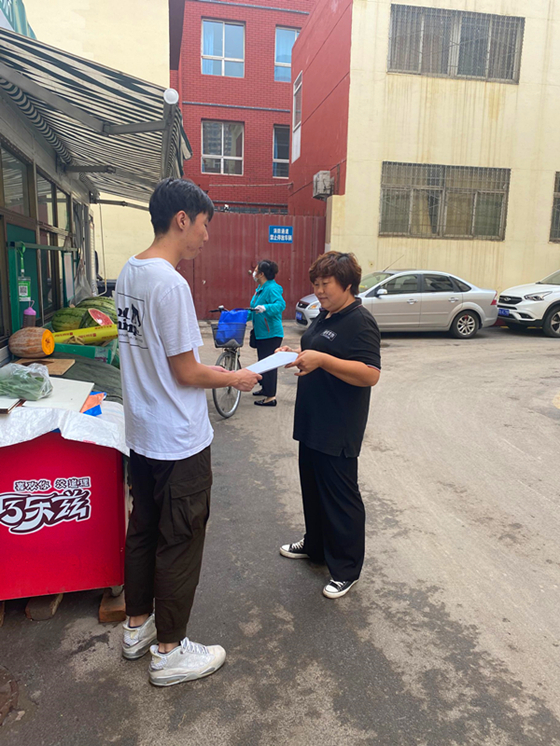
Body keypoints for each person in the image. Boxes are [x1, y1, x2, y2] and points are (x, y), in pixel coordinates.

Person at [116, 178, 261, 687]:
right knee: (179, 540)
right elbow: (185, 372)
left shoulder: (129, 271)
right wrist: (235, 378)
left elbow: (162, 360)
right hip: (178, 439)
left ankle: (137, 628)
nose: (206, 236)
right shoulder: (171, 284)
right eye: (204, 225)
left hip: (142, 434)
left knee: (144, 530)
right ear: (182, 219)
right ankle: (169, 652)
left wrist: (211, 372)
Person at [278, 252, 381, 599]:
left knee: (340, 497)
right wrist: (295, 354)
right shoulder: (325, 314)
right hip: (312, 418)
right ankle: (316, 546)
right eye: (316, 284)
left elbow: (370, 374)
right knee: (312, 488)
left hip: (338, 423)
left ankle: (346, 569)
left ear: (347, 284)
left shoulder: (360, 321)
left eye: (326, 284)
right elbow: (315, 350)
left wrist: (322, 359)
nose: (319, 291)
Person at [249, 259, 286, 407]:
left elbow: (280, 305)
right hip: (261, 332)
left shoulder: (272, 288)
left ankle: (271, 397)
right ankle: (265, 388)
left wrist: (266, 308)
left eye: (256, 270)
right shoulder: (260, 288)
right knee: (263, 362)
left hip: (271, 334)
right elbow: (254, 309)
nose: (254, 273)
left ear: (261, 274)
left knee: (270, 365)